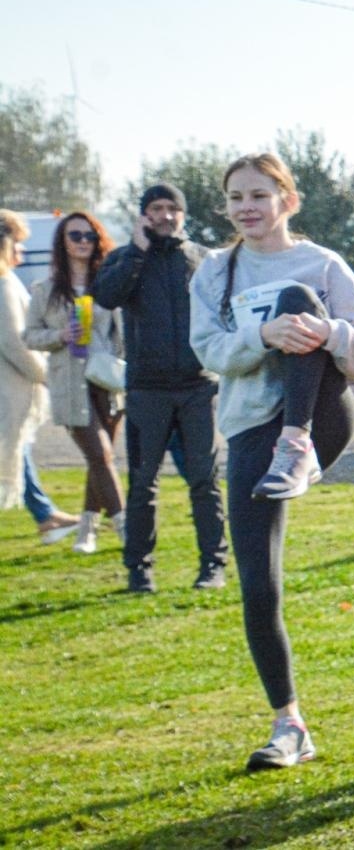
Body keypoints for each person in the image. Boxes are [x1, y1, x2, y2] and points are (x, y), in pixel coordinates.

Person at [189, 153, 354, 771]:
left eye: (260, 195)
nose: (247, 207)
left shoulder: (322, 265)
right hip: (251, 430)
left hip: (322, 416)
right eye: (236, 197)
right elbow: (211, 351)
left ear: (287, 201)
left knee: (298, 297)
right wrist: (263, 336)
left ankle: (297, 445)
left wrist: (322, 332)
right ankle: (289, 724)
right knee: (257, 584)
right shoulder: (216, 272)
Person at [92, 183, 228, 592]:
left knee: (204, 481)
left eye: (172, 208)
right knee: (142, 484)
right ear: (143, 215)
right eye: (156, 208)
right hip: (145, 390)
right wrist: (137, 251)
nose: (165, 215)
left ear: (183, 214)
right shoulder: (125, 258)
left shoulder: (202, 260)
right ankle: (139, 571)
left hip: (197, 388)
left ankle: (213, 566)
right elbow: (107, 296)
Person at [24, 212, 125, 555]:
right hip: (69, 384)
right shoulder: (46, 289)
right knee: (101, 454)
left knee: (101, 461)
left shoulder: (109, 283)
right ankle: (127, 528)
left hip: (108, 381)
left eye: (89, 236)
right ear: (62, 242)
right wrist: (59, 335)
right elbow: (30, 336)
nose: (83, 242)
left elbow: (122, 332)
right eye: (75, 235)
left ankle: (87, 530)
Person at [0, 210, 74, 540]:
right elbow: (15, 342)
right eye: (18, 243)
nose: (23, 251)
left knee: (20, 448)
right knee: (13, 448)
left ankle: (45, 514)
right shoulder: (2, 284)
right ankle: (45, 514)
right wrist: (45, 374)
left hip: (12, 383)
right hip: (10, 385)